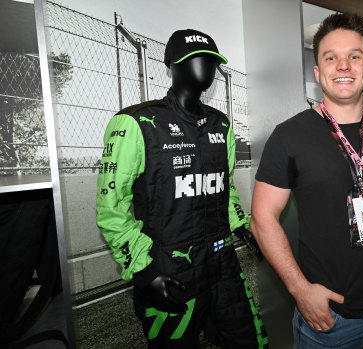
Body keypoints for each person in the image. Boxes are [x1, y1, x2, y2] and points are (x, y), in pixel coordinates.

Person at [250, 13, 363, 348]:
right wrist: (300, 291)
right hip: (329, 319)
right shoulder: (289, 136)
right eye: (331, 58)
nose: (344, 66)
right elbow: (262, 218)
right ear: (318, 72)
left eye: (354, 56)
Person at [95, 29, 267, 349]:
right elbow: (111, 208)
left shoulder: (222, 124)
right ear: (171, 64)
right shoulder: (136, 122)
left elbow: (224, 187)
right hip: (170, 268)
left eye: (211, 60)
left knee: (251, 341)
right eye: (193, 58)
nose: (204, 66)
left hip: (221, 260)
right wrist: (144, 271)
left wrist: (242, 226)